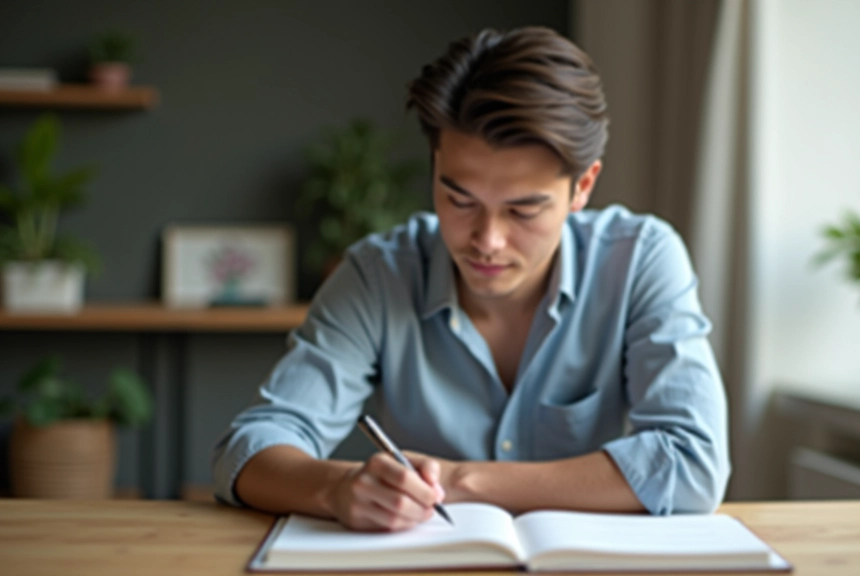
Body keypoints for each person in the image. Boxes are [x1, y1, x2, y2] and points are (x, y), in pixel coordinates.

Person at [212, 26, 729, 532]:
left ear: (583, 186)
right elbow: (250, 447)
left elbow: (693, 461)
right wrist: (337, 488)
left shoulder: (639, 259)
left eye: (523, 211)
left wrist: (462, 481)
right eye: (459, 200)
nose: (487, 240)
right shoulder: (378, 274)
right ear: (436, 166)